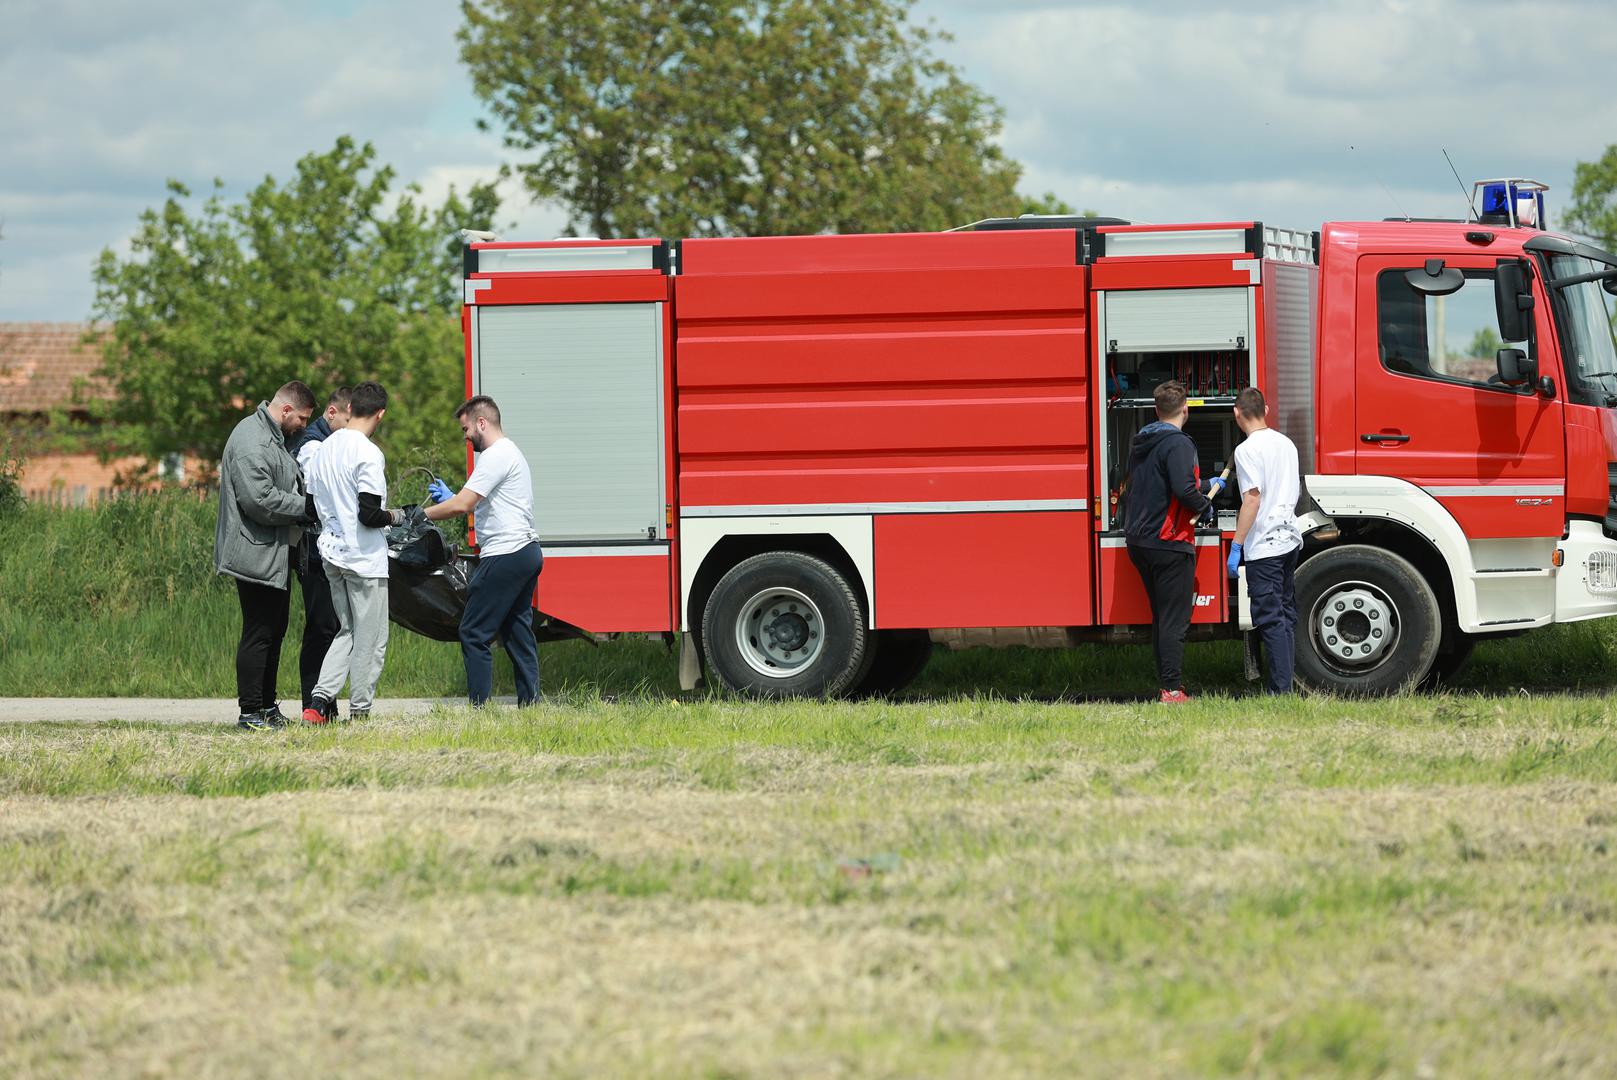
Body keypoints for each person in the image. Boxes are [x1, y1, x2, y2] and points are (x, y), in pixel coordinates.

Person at [422, 395, 543, 707]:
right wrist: (453, 496)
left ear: (481, 423)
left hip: (505, 553)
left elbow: (463, 504)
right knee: (517, 630)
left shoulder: (495, 455)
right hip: (526, 551)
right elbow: (481, 502)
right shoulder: (510, 452)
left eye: (465, 430)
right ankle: (530, 703)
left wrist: (419, 515)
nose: (465, 437)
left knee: (474, 631)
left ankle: (479, 708)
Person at [301, 382, 408, 724]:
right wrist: (398, 516)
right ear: (380, 414)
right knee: (371, 638)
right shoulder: (368, 452)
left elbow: (310, 503)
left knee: (345, 631)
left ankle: (318, 701)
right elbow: (369, 513)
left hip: (331, 554)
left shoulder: (324, 448)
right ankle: (360, 711)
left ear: (350, 408)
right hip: (363, 559)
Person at [215, 381, 318, 730]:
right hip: (254, 551)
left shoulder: (273, 437)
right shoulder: (251, 440)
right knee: (259, 632)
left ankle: (267, 708)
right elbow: (258, 500)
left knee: (275, 630)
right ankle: (250, 713)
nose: (304, 426)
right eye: (302, 418)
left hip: (274, 551)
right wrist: (307, 507)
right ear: (286, 410)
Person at [1123, 379, 1224, 704]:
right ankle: (1172, 690)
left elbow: (1165, 483)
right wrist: (1205, 506)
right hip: (1169, 541)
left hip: (1141, 541)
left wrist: (1209, 483)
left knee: (1161, 618)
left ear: (1156, 410)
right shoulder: (1179, 443)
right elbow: (1183, 489)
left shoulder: (1143, 442)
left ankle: (1167, 685)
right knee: (1174, 620)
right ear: (1185, 410)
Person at [1228, 387, 1303, 693]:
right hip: (1289, 540)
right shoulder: (1286, 443)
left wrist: (1236, 544)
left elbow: (1252, 500)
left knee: (1270, 618)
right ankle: (1284, 685)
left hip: (1265, 547)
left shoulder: (1246, 450)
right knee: (1284, 615)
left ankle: (1280, 691)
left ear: (1236, 414)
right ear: (1266, 410)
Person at [287, 386, 352, 719]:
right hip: (313, 550)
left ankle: (324, 705)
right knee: (321, 628)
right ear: (331, 413)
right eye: (347, 420)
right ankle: (314, 705)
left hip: (323, 547)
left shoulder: (326, 442)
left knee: (330, 626)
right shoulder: (313, 446)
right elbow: (319, 498)